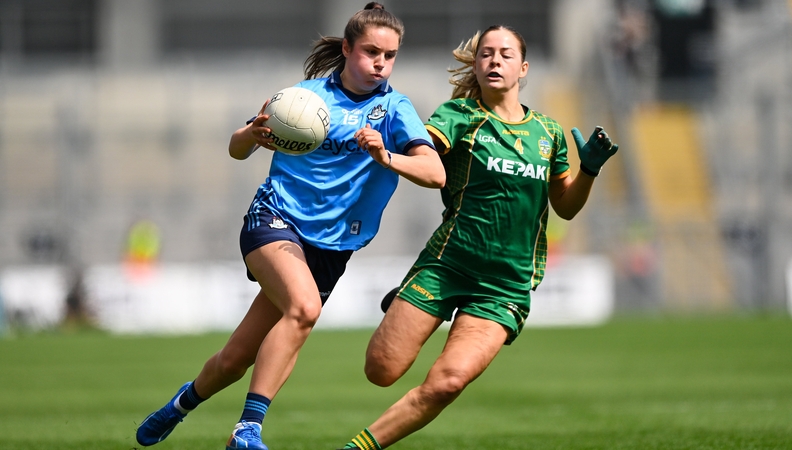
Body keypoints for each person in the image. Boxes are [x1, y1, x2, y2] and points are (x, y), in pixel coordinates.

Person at [135, 3, 445, 450]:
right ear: (347, 48)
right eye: (371, 52)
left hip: (331, 248)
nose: (381, 63)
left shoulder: (395, 109)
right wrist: (252, 135)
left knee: (235, 358)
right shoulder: (304, 100)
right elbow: (236, 147)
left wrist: (386, 156)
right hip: (275, 219)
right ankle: (247, 430)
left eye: (390, 55)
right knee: (304, 308)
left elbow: (435, 173)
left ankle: (179, 405)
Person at [339, 25, 618, 450]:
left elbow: (565, 206)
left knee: (447, 383)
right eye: (486, 54)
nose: (493, 61)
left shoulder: (549, 133)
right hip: (447, 265)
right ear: (476, 64)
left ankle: (357, 447)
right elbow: (425, 162)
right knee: (380, 370)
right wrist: (387, 154)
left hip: (503, 286)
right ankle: (407, 300)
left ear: (523, 68)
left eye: (505, 54)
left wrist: (589, 171)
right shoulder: (458, 117)